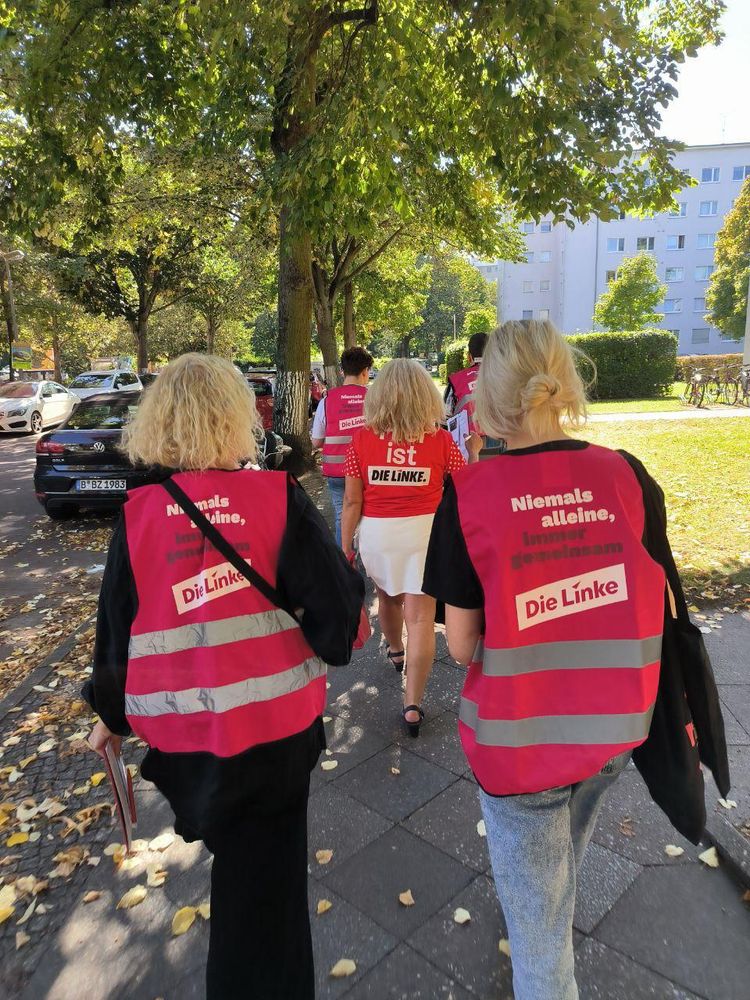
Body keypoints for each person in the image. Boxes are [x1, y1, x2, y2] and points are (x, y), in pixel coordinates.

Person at [423, 320, 729, 1000]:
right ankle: (547, 911)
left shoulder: (470, 495)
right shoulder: (625, 475)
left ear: (486, 394)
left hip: (520, 748)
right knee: (562, 857)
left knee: (542, 959)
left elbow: (464, 645)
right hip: (613, 733)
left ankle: (544, 937)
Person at [83, 353, 364, 1000]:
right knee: (268, 906)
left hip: (192, 747)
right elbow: (338, 620)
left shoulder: (139, 518)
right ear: (238, 417)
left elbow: (115, 635)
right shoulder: (277, 499)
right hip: (277, 740)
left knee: (243, 880)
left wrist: (109, 719)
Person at [341, 358, 478, 736]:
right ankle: (412, 704)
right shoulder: (440, 440)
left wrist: (345, 547)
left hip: (379, 537)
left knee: (388, 598)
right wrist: (475, 450)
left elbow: (352, 502)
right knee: (421, 620)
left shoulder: (362, 439)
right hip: (426, 536)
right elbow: (467, 486)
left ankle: (394, 651)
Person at [311, 346, 373, 544]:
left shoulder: (326, 401)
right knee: (370, 518)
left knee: (342, 518)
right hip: (368, 472)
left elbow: (316, 441)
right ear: (366, 372)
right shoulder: (375, 400)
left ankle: (346, 565)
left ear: (341, 371)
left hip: (337, 472)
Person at [444, 331, 487, 431]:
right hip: (501, 442)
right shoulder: (504, 378)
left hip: (466, 442)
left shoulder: (455, 381)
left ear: (469, 357)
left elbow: (446, 416)